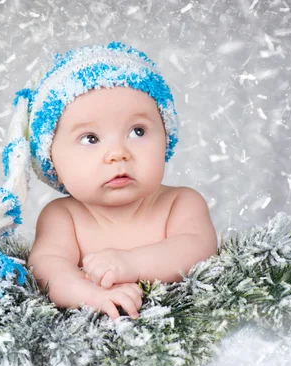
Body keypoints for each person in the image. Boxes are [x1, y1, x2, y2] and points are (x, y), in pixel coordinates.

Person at [12, 42, 218, 320]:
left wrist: (132, 263)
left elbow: (198, 247)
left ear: (166, 137)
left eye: (137, 131)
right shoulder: (63, 216)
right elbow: (48, 269)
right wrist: (94, 295)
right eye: (90, 139)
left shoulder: (180, 203)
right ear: (52, 160)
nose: (118, 154)